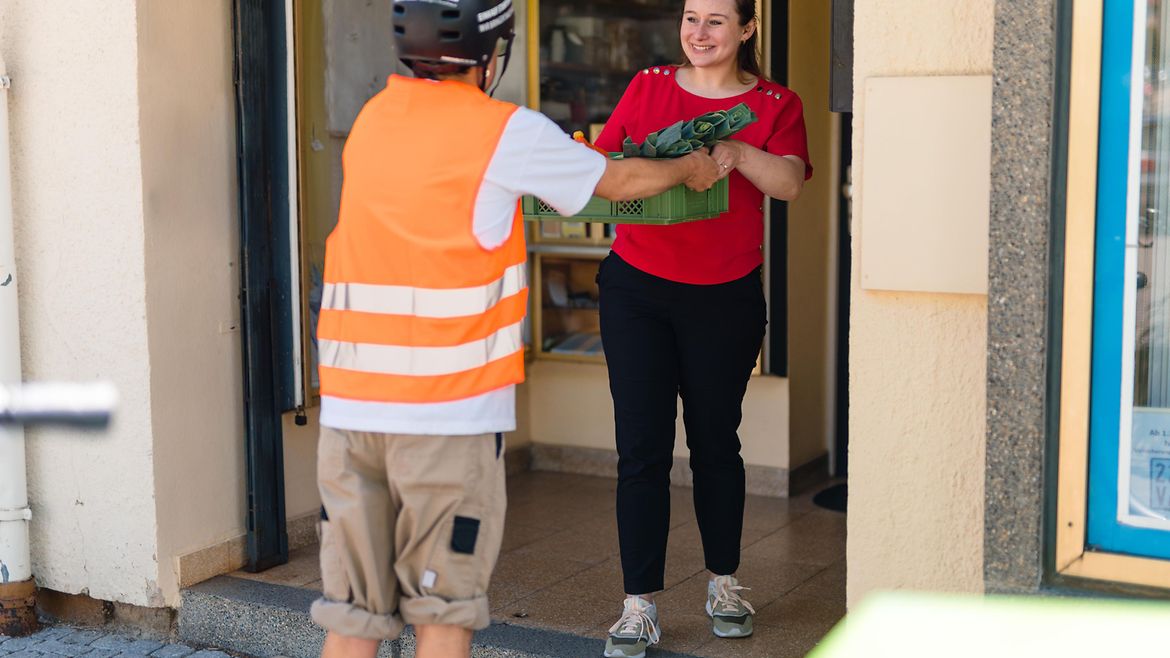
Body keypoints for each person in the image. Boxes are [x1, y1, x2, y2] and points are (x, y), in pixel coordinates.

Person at [308, 2, 722, 657]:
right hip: (447, 419)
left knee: (352, 618)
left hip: (352, 413)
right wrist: (688, 169)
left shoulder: (373, 119)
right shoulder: (503, 131)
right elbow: (614, 181)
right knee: (443, 615)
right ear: (491, 54)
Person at [591, 0, 813, 655]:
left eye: (716, 20)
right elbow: (605, 171)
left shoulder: (775, 103)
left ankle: (724, 583)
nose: (699, 33)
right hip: (636, 288)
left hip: (724, 297)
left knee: (716, 443)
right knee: (641, 450)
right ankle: (638, 605)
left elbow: (792, 183)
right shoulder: (649, 87)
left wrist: (737, 149)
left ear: (747, 29)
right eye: (691, 17)